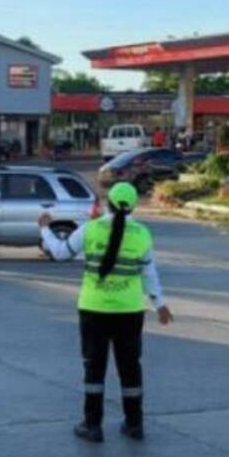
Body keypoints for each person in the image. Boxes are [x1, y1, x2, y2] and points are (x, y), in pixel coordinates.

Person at [39, 182, 173, 442]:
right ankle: (134, 424)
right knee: (130, 367)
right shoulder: (142, 234)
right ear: (133, 206)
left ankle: (92, 425)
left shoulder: (90, 229)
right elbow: (148, 273)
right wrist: (160, 304)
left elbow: (58, 253)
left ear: (106, 204)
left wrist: (45, 228)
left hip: (94, 309)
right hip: (130, 310)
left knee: (94, 367)